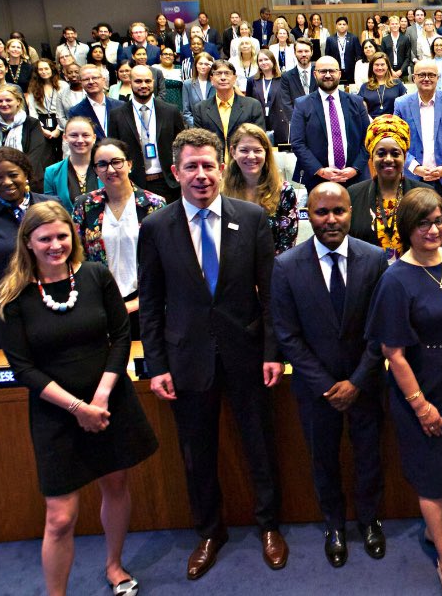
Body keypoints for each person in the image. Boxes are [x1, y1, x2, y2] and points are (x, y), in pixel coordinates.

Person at [139, 128, 287, 580]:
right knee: (196, 453)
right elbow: (151, 302)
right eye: (191, 166)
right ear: (175, 172)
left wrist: (272, 352)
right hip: (187, 360)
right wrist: (157, 364)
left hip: (246, 354)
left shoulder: (252, 218)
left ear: (222, 168)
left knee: (260, 445)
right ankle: (209, 531)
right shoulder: (157, 227)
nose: (201, 175)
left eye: (208, 165)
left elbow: (271, 295)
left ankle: (269, 526)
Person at [0, 202, 158, 596]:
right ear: (28, 243)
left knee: (116, 485)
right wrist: (77, 408)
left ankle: (115, 566)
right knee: (60, 518)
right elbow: (24, 368)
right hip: (56, 413)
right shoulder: (11, 296)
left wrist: (99, 398)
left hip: (108, 402)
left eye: (62, 236)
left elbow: (121, 337)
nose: (55, 245)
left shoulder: (97, 276)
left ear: (74, 235)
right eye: (45, 238)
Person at [364, 189, 442, 596]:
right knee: (432, 475)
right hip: (420, 386)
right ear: (407, 228)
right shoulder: (395, 278)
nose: (434, 229)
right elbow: (393, 354)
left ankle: (441, 536)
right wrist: (420, 407)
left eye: (439, 221)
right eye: (424, 223)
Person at [272, 182, 389, 567]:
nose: (331, 220)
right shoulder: (286, 266)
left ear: (350, 213)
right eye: (322, 212)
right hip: (315, 389)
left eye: (338, 211)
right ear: (308, 214)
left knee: (369, 457)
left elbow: (380, 330)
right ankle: (334, 525)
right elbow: (287, 336)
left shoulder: (374, 260)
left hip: (366, 383)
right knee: (323, 459)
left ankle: (369, 521)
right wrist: (327, 386)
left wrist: (356, 381)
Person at [71, 137, 165, 343]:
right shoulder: (85, 205)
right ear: (95, 170)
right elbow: (76, 256)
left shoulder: (154, 204)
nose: (110, 169)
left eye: (116, 162)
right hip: (100, 304)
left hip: (146, 303)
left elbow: (165, 261)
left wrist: (140, 301)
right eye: (102, 164)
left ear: (129, 164)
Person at [0, 147, 59, 360]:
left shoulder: (52, 205)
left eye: (13, 175)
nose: (6, 182)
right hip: (6, 317)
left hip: (56, 310)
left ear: (26, 174)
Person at [348, 114, 434, 263]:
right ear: (371, 157)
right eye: (381, 153)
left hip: (413, 277)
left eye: (395, 153)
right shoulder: (353, 195)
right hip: (368, 280)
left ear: (405, 157)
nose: (388, 159)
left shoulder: (424, 194)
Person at [290, 56, 372, 189]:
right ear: (315, 74)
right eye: (323, 71)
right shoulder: (302, 104)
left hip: (355, 179)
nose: (328, 75)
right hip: (318, 180)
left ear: (339, 74)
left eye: (332, 71)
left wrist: (355, 169)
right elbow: (297, 143)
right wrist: (320, 171)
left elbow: (368, 139)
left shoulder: (357, 102)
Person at [109, 65, 185, 203]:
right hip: (133, 184)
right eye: (138, 81)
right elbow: (114, 152)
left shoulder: (171, 111)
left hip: (168, 183)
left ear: (153, 82)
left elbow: (183, 145)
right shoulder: (117, 115)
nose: (144, 85)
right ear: (129, 82)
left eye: (148, 81)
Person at [222, 124, 299, 256]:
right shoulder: (221, 191)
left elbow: (287, 245)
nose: (251, 156)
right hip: (231, 271)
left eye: (257, 150)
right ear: (233, 152)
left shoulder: (285, 192)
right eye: (244, 150)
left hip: (273, 270)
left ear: (266, 153)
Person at [394, 61, 442, 201]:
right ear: (414, 78)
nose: (426, 78)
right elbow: (397, 141)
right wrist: (415, 167)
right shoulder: (401, 104)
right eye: (421, 75)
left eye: (431, 75)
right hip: (414, 178)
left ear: (438, 78)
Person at [0, 83, 57, 193]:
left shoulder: (32, 124)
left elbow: (34, 156)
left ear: (18, 101)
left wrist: (15, 176)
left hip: (27, 181)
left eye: (8, 100)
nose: (4, 104)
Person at [191, 59, 265, 158]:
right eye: (218, 74)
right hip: (214, 166)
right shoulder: (200, 108)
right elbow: (198, 143)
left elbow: (259, 140)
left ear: (234, 78)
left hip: (243, 164)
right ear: (212, 79)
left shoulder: (252, 106)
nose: (223, 78)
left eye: (227, 73)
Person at [44, 117, 98, 210]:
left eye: (85, 135)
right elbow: (51, 211)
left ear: (94, 138)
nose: (80, 140)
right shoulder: (51, 172)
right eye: (74, 135)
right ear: (65, 138)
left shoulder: (107, 168)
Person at [68, 64, 126, 138]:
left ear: (103, 80)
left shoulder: (120, 106)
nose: (91, 82)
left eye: (95, 78)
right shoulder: (76, 112)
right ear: (81, 83)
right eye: (86, 79)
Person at [358, 51, 407, 120]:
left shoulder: (397, 84)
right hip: (372, 125)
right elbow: (361, 110)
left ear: (387, 66)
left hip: (394, 124)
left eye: (382, 64)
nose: (380, 68)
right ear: (372, 67)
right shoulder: (364, 87)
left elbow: (405, 106)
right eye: (376, 65)